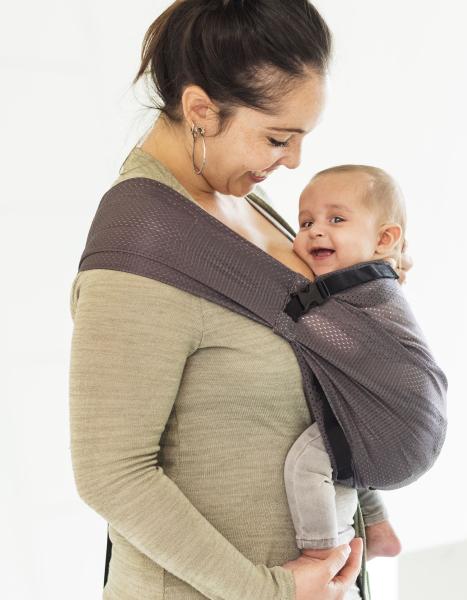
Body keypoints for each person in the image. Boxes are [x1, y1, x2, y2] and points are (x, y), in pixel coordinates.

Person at [68, 2, 416, 600]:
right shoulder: (143, 244)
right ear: (201, 111)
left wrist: (375, 294)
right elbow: (111, 473)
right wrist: (270, 590)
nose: (294, 160)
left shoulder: (249, 206)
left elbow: (316, 379)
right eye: (278, 138)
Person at [283, 165, 407, 574]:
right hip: (373, 412)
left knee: (308, 463)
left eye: (336, 219)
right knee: (345, 451)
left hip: (390, 415)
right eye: (306, 222)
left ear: (383, 239)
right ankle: (378, 527)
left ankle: (324, 558)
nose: (316, 231)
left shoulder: (364, 288)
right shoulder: (365, 285)